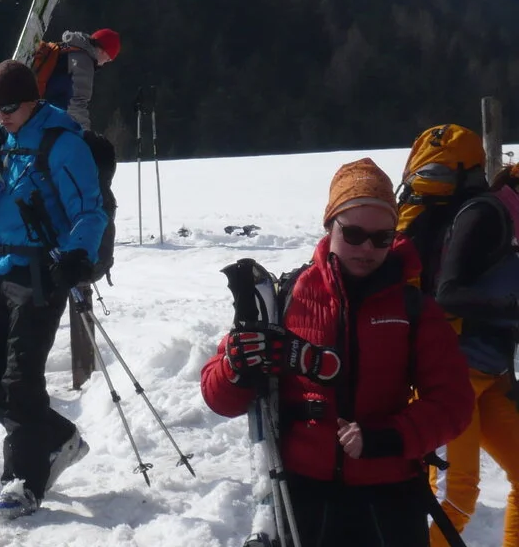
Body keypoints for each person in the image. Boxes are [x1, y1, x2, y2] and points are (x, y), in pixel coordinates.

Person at [201, 158, 474, 547]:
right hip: (300, 496)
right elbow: (218, 398)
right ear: (329, 226)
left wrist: (388, 436)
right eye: (354, 233)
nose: (367, 248)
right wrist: (235, 368)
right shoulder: (285, 297)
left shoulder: (413, 308)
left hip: (391, 497)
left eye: (382, 238)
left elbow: (454, 402)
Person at [0, 60, 108, 519]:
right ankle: (57, 436)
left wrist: (78, 256)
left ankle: (22, 481)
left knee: (21, 380)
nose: (0, 115)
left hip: (41, 272)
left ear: (32, 101)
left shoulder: (62, 143)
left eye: (8, 107)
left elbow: (91, 211)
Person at [425, 163, 519, 547]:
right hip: (453, 377)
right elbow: (447, 292)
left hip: (493, 375)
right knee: (456, 496)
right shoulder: (485, 214)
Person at [34, 28, 120, 131]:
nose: (105, 63)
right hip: (45, 112)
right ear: (102, 51)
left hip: (35, 98)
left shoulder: (70, 47)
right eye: (108, 59)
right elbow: (78, 103)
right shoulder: (84, 63)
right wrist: (86, 134)